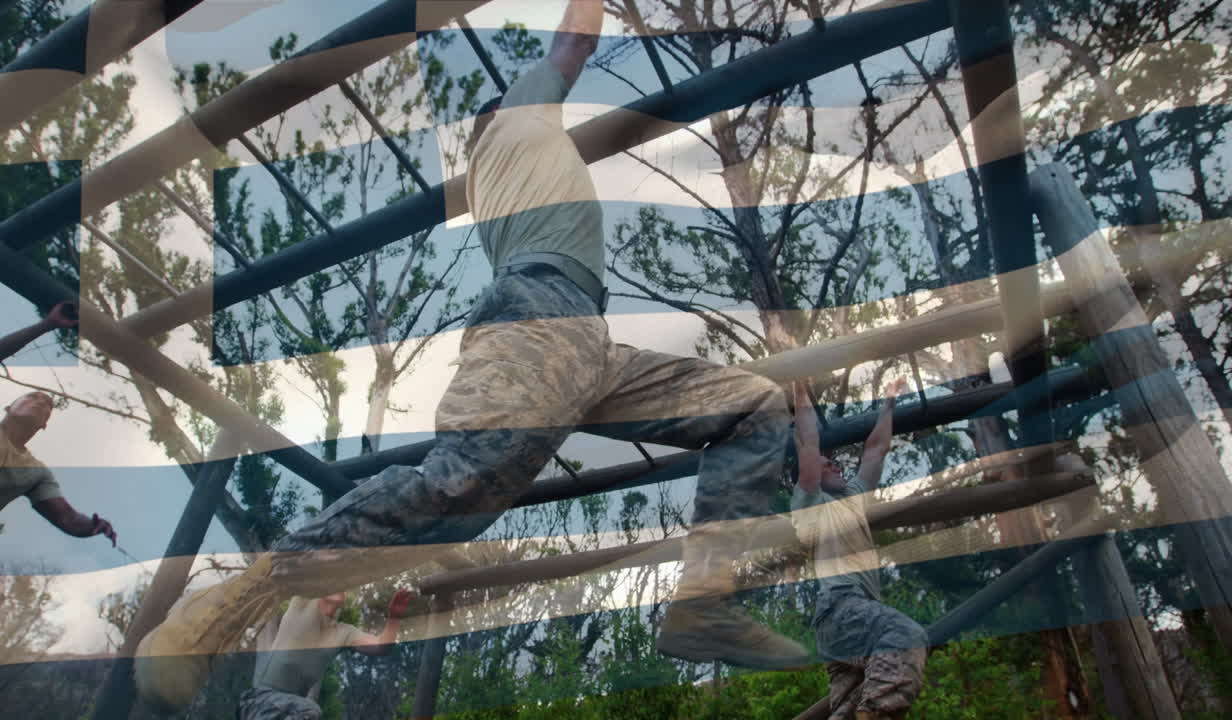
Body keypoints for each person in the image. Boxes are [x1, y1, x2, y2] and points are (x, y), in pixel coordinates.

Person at [135, 2, 807, 711]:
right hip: (541, 318)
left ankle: (704, 603)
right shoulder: (518, 118)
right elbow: (573, 42)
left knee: (752, 406)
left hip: (586, 340)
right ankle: (235, 602)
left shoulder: (500, 186)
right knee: (462, 485)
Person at [0, 301, 117, 651]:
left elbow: (65, 516)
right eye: (32, 396)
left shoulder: (35, 473)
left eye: (47, 405)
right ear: (10, 406)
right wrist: (46, 326)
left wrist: (92, 525)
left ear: (44, 425)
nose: (40, 401)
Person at [790, 379, 927, 720]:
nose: (835, 465)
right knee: (905, 637)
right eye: (828, 465)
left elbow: (876, 449)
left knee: (848, 707)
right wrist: (800, 394)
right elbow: (808, 445)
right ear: (812, 476)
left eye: (835, 463)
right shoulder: (810, 504)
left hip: (850, 622)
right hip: (842, 608)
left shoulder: (852, 498)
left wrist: (889, 403)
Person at [237, 588, 411, 720]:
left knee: (308, 710)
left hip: (290, 711)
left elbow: (381, 647)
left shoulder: (343, 632)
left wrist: (394, 617)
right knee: (311, 710)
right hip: (261, 702)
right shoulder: (303, 602)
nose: (341, 585)